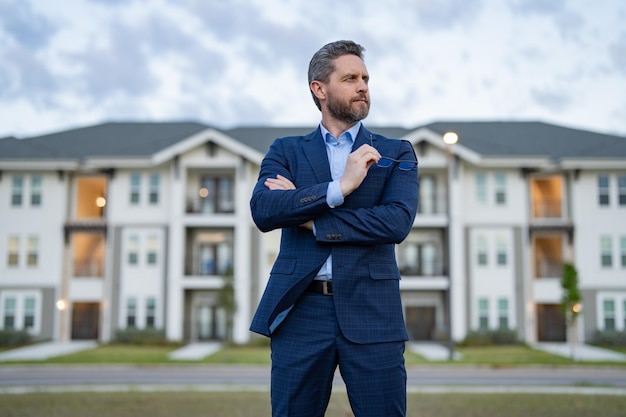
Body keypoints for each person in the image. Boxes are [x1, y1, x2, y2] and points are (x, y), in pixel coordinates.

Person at [249, 40, 419, 417]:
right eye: (350, 78)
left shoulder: (396, 153)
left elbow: (395, 222)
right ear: (319, 89)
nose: (363, 86)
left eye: (366, 78)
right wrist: (338, 189)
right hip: (301, 311)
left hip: (374, 311)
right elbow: (264, 210)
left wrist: (307, 214)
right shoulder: (286, 151)